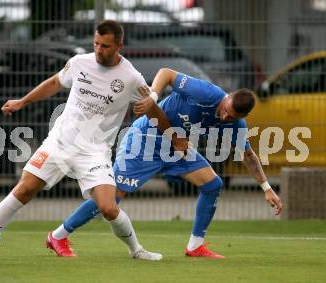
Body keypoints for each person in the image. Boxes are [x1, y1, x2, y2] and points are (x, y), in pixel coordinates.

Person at [0, 20, 182, 262]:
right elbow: (55, 83)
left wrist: (173, 137)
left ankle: (136, 250)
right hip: (60, 143)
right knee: (24, 189)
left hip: (95, 152)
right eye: (96, 43)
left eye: (106, 46)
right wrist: (22, 101)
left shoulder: (131, 77)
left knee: (108, 207)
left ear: (119, 45)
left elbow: (154, 110)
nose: (99, 50)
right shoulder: (79, 63)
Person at [47, 68, 283, 259]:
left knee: (212, 185)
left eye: (231, 117)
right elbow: (166, 73)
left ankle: (195, 246)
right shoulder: (206, 93)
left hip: (176, 148)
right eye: (225, 111)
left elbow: (249, 155)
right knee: (111, 199)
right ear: (227, 98)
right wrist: (153, 96)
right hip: (146, 139)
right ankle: (58, 236)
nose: (224, 117)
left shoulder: (235, 124)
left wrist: (267, 188)